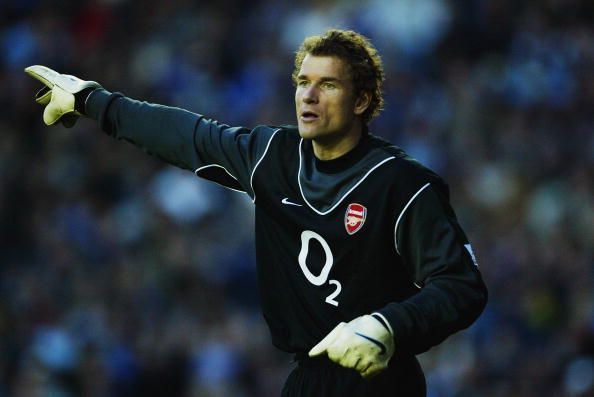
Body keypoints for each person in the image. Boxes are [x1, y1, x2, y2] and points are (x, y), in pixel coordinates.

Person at [26, 29, 487, 396]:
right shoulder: (274, 156)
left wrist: (387, 326)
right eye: (303, 82)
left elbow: (462, 286)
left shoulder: (402, 184)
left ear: (362, 101)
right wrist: (92, 99)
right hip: (308, 380)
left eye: (327, 84)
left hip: (380, 379)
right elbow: (189, 137)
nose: (308, 95)